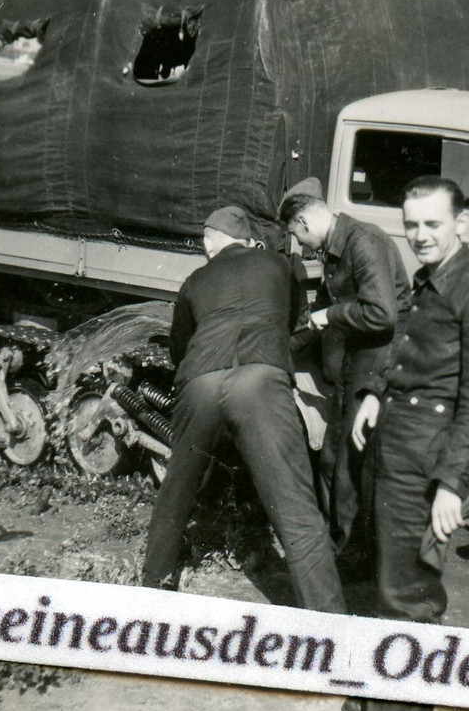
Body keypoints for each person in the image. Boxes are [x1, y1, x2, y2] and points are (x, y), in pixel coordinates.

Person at [349, 176, 469, 711]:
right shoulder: (429, 279)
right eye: (411, 224)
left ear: (461, 224)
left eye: (433, 224)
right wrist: (375, 391)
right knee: (397, 584)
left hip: (425, 463)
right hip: (395, 449)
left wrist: (452, 484)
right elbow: (403, 348)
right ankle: (404, 696)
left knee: (406, 598)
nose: (420, 235)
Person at [141, 205, 345, 614]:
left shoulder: (195, 280)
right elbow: (298, 327)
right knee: (297, 512)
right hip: (260, 384)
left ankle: (150, 593)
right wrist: (271, 353)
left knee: (176, 493)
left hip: (200, 384)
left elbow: (179, 349)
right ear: (248, 239)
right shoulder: (279, 265)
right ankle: (331, 625)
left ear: (211, 242)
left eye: (205, 241)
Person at [277, 177, 411, 570]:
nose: (300, 246)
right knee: (333, 454)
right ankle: (336, 538)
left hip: (381, 357)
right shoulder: (335, 252)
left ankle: (356, 552)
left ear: (304, 222)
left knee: (353, 458)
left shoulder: (362, 242)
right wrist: (276, 353)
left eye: (296, 235)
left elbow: (382, 314)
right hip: (358, 355)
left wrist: (331, 315)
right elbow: (314, 321)